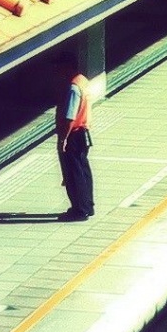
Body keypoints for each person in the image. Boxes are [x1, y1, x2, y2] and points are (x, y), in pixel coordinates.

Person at [54, 52, 95, 220]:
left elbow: (70, 116)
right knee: (84, 171)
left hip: (74, 134)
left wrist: (63, 138)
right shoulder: (83, 81)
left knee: (74, 173)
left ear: (66, 67)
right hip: (84, 133)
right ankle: (87, 205)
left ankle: (79, 209)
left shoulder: (72, 87)